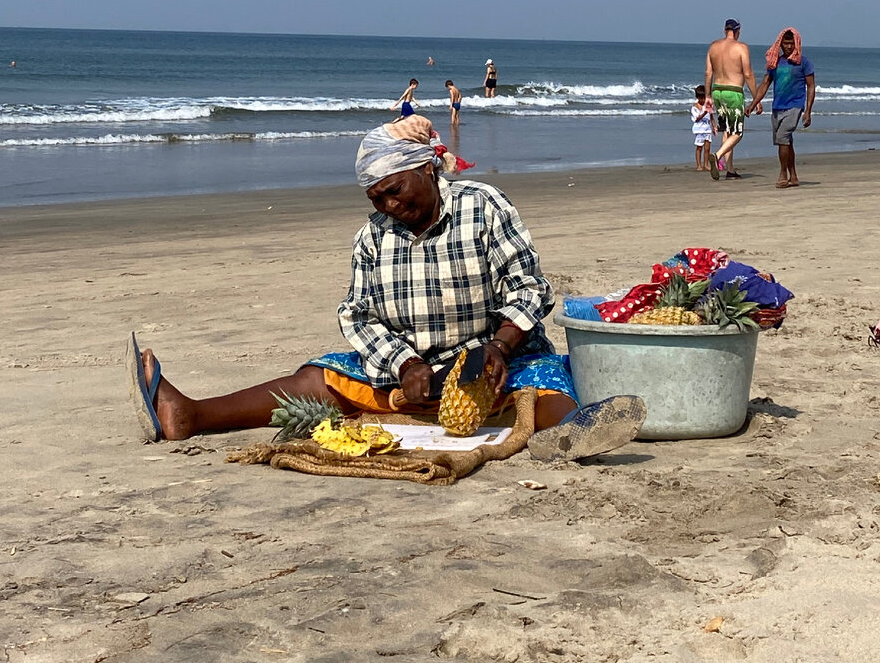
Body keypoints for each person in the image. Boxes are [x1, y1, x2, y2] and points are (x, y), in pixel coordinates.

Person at [127, 116, 646, 463]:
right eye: (377, 199)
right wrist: (404, 364)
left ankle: (570, 436)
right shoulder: (372, 238)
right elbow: (358, 316)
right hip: (413, 372)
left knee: (548, 390)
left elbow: (530, 287)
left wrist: (500, 345)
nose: (389, 207)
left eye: (394, 191)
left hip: (494, 362)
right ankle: (191, 415)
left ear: (425, 169)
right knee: (316, 380)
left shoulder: (484, 207)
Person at [745, 28, 816, 189]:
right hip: (778, 107)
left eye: (792, 43)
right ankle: (794, 176)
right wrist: (752, 104)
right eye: (786, 43)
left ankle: (783, 174)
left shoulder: (804, 63)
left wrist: (808, 111)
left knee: (783, 138)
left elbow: (811, 87)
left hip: (795, 106)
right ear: (781, 44)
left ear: (797, 43)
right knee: (786, 142)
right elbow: (764, 85)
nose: (789, 46)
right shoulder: (775, 62)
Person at [704, 18, 761, 181]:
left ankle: (730, 170)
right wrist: (757, 97)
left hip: (717, 91)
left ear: (724, 30)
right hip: (733, 91)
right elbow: (748, 74)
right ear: (738, 31)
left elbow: (708, 73)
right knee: (738, 132)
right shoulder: (741, 47)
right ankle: (718, 154)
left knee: (727, 130)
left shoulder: (713, 47)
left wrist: (708, 95)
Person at [691, 84, 715, 172]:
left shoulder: (707, 105)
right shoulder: (695, 107)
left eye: (704, 98)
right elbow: (697, 118)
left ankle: (706, 164)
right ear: (697, 97)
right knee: (699, 147)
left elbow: (711, 116)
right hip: (699, 129)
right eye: (701, 98)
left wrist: (714, 126)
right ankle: (698, 165)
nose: (703, 100)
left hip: (707, 128)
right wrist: (704, 113)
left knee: (707, 148)